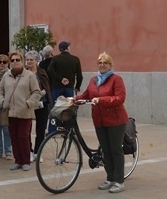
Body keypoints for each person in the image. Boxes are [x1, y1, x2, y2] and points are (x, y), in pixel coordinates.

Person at [76, 52, 128, 193]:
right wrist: (73, 99)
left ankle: (119, 181)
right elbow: (86, 95)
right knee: (105, 151)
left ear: (110, 65)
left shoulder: (116, 79)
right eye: (100, 62)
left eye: (105, 62)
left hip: (116, 120)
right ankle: (110, 178)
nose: (102, 65)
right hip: (99, 121)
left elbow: (120, 97)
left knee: (115, 150)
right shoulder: (94, 80)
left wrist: (101, 100)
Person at [0, 51, 41, 171]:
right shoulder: (6, 76)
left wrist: (29, 103)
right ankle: (18, 160)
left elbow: (37, 92)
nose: (15, 62)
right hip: (10, 112)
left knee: (23, 137)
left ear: (22, 61)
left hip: (24, 112)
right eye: (13, 60)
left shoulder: (29, 75)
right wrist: (2, 102)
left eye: (18, 60)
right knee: (14, 137)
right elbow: (0, 91)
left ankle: (26, 161)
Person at [47, 41, 83, 133]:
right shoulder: (75, 59)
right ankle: (69, 129)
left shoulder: (55, 59)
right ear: (67, 48)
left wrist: (60, 79)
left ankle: (52, 130)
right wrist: (77, 87)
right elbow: (79, 75)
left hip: (56, 87)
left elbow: (50, 70)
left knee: (55, 108)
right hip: (69, 88)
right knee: (70, 108)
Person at [24, 50, 52, 162]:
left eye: (32, 60)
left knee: (41, 129)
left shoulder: (42, 72)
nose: (29, 62)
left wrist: (43, 92)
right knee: (26, 130)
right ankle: (29, 151)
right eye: (27, 60)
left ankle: (37, 152)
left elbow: (47, 86)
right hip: (28, 103)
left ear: (37, 61)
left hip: (42, 103)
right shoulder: (23, 73)